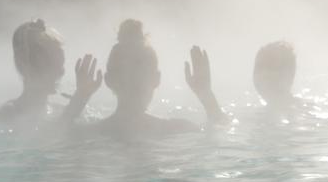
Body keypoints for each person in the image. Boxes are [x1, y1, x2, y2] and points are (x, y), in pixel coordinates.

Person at [81, 19, 227, 138]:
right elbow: (219, 135)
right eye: (128, 72)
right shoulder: (177, 130)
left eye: (141, 71)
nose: (135, 79)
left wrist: (206, 95)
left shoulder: (90, 134)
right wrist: (207, 97)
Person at [0, 19, 67, 125]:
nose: (61, 73)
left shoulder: (58, 110)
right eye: (52, 66)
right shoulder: (8, 114)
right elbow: (54, 132)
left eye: (60, 65)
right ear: (25, 66)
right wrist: (79, 100)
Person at [253, 40, 302, 114]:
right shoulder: (257, 115)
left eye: (271, 68)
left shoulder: (302, 113)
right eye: (259, 67)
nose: (262, 75)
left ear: (289, 75)